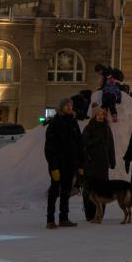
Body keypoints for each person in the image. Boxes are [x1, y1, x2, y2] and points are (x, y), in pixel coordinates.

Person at [45, 97, 83, 228]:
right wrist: (53, 166)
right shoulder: (55, 123)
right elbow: (50, 147)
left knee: (66, 192)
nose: (69, 107)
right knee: (54, 191)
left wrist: (80, 164)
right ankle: (50, 219)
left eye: (70, 105)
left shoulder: (73, 122)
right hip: (58, 164)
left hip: (70, 164)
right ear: (61, 107)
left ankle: (64, 218)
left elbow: (79, 144)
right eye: (66, 105)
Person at [81, 103, 116, 222]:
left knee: (103, 189)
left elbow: (111, 145)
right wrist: (96, 140)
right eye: (99, 114)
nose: (101, 116)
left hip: (103, 164)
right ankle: (89, 214)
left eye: (102, 114)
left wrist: (112, 160)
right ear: (94, 116)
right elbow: (84, 142)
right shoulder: (89, 127)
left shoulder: (107, 128)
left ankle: (100, 213)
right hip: (91, 163)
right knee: (90, 189)